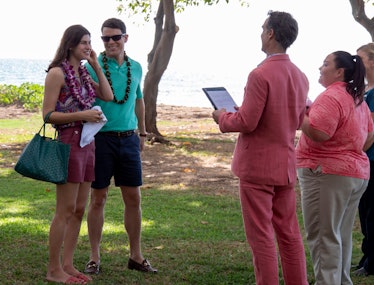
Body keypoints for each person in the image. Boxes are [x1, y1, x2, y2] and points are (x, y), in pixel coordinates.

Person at [212, 11, 309, 285]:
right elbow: (291, 116)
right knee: (289, 234)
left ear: (271, 33)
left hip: (257, 168)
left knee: (262, 237)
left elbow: (247, 121)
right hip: (285, 165)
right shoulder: (300, 76)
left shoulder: (260, 73)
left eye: (262, 28)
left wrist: (222, 118)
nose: (260, 33)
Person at [84, 18, 157, 275]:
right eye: (105, 38)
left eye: (116, 37)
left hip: (128, 139)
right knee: (98, 198)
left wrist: (143, 132)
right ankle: (94, 256)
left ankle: (136, 256)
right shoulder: (91, 67)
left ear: (126, 38)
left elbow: (139, 101)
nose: (111, 42)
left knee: (133, 198)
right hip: (100, 139)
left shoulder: (136, 68)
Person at [43, 25, 113, 284]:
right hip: (69, 141)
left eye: (90, 42)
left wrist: (95, 65)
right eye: (84, 42)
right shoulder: (57, 73)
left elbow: (107, 95)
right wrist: (81, 115)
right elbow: (48, 115)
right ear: (71, 44)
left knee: (80, 208)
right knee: (65, 209)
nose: (89, 46)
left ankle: (68, 264)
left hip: (88, 142)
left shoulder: (82, 74)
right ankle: (53, 270)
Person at [296, 50, 374, 285]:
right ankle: (340, 281)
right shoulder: (357, 97)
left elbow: (320, 132)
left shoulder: (332, 96)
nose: (320, 68)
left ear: (339, 71)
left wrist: (300, 116)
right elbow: (368, 137)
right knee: (339, 234)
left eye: (325, 63)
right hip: (354, 174)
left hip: (327, 174)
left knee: (323, 236)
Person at [354, 43, 374, 277]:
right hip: (364, 161)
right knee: (364, 211)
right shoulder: (365, 89)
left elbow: (371, 133)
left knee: (371, 213)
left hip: (370, 159)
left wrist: (355, 152)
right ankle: (366, 258)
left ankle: (370, 263)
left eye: (360, 59)